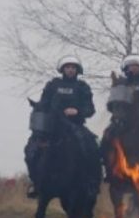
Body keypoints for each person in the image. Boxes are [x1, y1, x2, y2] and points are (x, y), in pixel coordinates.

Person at [26, 56, 99, 197]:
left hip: (75, 125)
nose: (70, 70)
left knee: (92, 146)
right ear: (63, 69)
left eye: (73, 67)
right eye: (68, 67)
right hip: (52, 126)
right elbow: (44, 103)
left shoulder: (82, 87)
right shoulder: (53, 85)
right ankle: (36, 182)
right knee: (31, 149)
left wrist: (77, 112)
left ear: (77, 70)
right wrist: (39, 108)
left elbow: (90, 109)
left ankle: (92, 182)